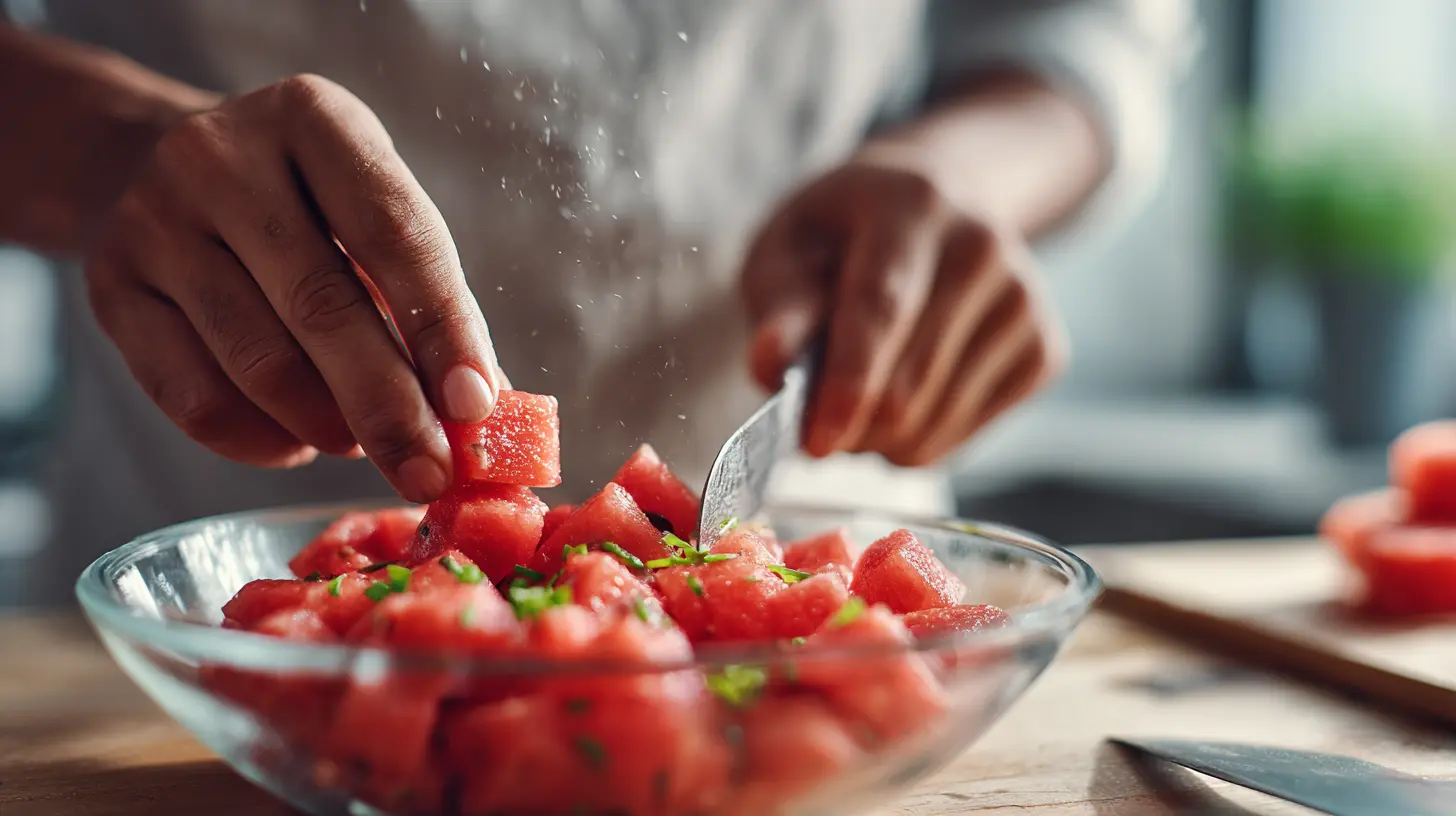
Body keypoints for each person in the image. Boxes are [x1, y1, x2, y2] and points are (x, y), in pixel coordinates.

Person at [0, 1, 1195, 604]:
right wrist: (101, 149)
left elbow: (1084, 32)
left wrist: (962, 173)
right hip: (208, 590)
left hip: (819, 546)